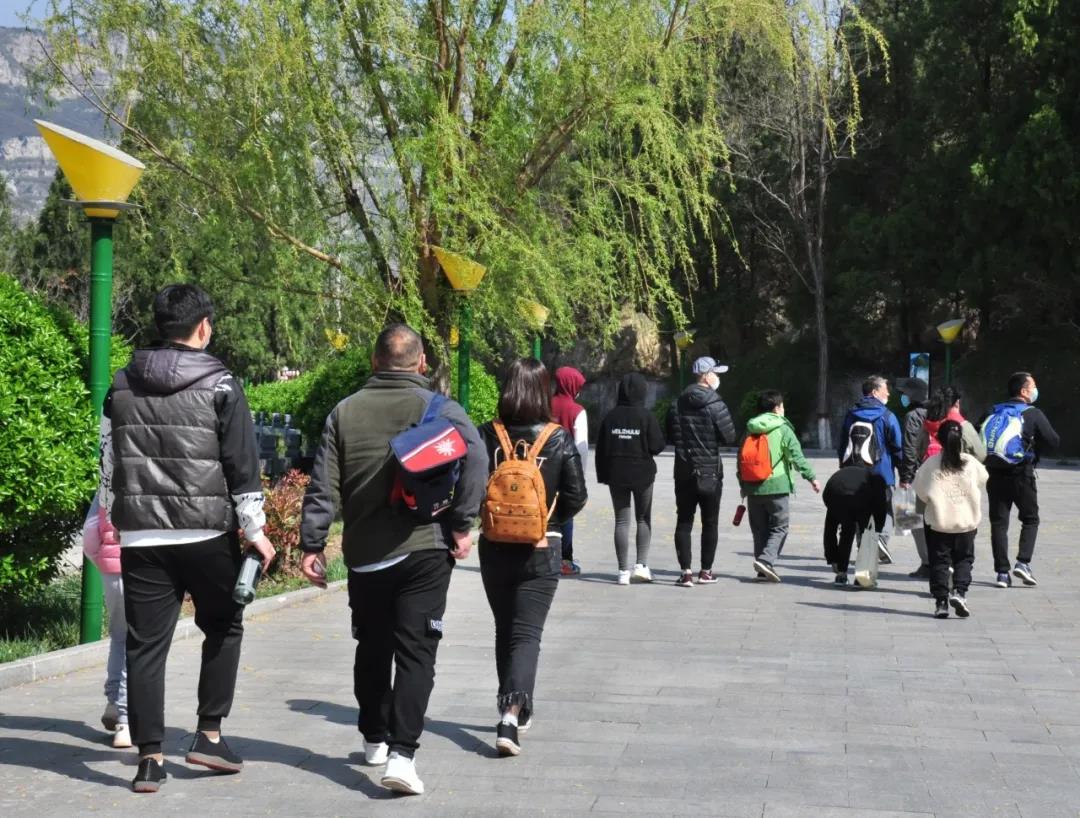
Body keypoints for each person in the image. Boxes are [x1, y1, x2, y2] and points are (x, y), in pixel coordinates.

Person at [99, 284, 275, 793]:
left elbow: (108, 459)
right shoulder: (222, 385)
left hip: (141, 536)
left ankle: (149, 759)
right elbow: (242, 467)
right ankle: (209, 735)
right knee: (223, 625)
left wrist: (116, 515)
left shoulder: (121, 384)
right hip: (206, 533)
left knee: (145, 645)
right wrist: (256, 532)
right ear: (203, 327)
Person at [299, 324, 486, 796]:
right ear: (421, 363)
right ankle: (403, 756)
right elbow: (478, 459)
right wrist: (461, 524)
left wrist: (312, 544)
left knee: (372, 645)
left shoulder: (343, 413)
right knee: (417, 651)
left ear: (374, 361)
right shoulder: (441, 408)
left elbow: (323, 485)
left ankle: (374, 738)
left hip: (365, 555)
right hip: (425, 547)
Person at [477, 358, 587, 757]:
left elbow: (470, 486)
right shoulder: (557, 438)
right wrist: (547, 518)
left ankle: (511, 702)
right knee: (527, 634)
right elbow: (577, 495)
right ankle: (511, 715)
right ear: (543, 391)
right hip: (542, 547)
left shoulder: (487, 434)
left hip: (493, 546)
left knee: (504, 629)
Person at [979, 372, 1059, 588]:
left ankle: (1002, 573)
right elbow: (1054, 441)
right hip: (1022, 473)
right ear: (1024, 391)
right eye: (1033, 386)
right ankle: (1023, 562)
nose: (1035, 390)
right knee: (1030, 519)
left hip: (995, 473)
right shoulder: (1033, 413)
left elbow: (978, 437)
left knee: (999, 523)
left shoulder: (992, 410)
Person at [666, 356, 736, 587]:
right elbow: (729, 436)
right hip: (710, 472)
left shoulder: (677, 403)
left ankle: (686, 573)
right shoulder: (716, 404)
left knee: (684, 521)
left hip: (684, 470)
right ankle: (705, 572)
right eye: (716, 373)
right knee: (710, 522)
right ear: (706, 376)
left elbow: (670, 434)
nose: (718, 377)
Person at [738, 390, 820, 582]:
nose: (783, 409)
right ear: (776, 408)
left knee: (759, 530)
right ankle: (766, 561)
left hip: (753, 487)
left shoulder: (749, 428)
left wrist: (743, 483)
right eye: (782, 406)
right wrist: (811, 478)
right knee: (780, 527)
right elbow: (797, 457)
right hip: (777, 486)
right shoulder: (783, 428)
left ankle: (762, 569)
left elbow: (740, 458)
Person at [913, 420, 989, 618]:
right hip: (966, 522)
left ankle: (941, 602)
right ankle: (960, 592)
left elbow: (920, 492)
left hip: (939, 523)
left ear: (939, 439)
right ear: (961, 439)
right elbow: (984, 478)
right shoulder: (971, 463)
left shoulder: (930, 464)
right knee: (964, 559)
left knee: (939, 562)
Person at [595, 372, 666, 584]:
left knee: (621, 520)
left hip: (616, 474)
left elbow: (601, 449)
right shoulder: (646, 416)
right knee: (643, 518)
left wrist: (603, 474)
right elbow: (657, 446)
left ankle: (622, 572)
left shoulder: (610, 417)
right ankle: (641, 566)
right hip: (643, 474)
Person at [837, 375, 903, 564]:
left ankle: (863, 549)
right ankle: (880, 540)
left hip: (854, 473)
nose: (888, 393)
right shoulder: (887, 415)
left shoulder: (851, 414)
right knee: (887, 510)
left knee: (860, 511)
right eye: (885, 390)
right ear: (875, 392)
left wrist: (843, 469)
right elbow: (897, 446)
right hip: (881, 474)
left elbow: (842, 445)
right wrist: (904, 471)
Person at [81, 497, 130, 749]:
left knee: (119, 637)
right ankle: (125, 719)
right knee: (140, 642)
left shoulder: (106, 483)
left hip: (111, 568)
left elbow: (90, 531)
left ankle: (113, 703)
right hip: (145, 567)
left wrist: (101, 560)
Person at [822, 466, 890, 585]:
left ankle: (841, 574)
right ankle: (862, 578)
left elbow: (830, 530)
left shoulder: (871, 478)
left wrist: (832, 558)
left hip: (834, 492)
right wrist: (876, 531)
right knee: (866, 536)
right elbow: (881, 511)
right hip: (854, 496)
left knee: (846, 530)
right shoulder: (879, 482)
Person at [551, 366, 588, 576]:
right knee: (566, 514)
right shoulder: (576, 411)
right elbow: (582, 448)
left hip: (542, 468)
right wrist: (580, 477)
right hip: (566, 470)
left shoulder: (543, 405)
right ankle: (565, 560)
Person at [896, 377, 930, 578]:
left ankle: (927, 563)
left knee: (914, 521)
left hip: (918, 473)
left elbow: (909, 448)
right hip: (938, 470)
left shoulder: (913, 416)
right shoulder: (937, 411)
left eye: (905, 394)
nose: (903, 397)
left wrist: (905, 477)